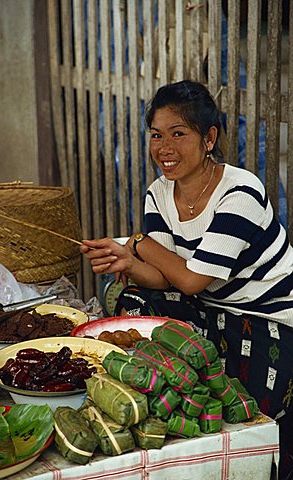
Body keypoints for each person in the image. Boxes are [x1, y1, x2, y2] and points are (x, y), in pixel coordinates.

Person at [80, 80, 293, 479]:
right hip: (212, 307)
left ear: (209, 137)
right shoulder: (158, 193)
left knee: (250, 400)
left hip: (267, 314)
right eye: (157, 135)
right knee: (132, 298)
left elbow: (193, 280)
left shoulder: (241, 191)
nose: (165, 148)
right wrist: (125, 260)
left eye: (179, 134)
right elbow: (163, 278)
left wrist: (137, 241)